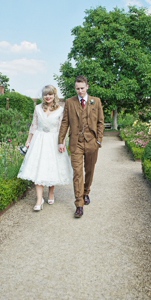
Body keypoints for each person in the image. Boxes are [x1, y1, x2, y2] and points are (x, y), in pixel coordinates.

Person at [17, 85, 73, 211]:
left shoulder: (60, 109)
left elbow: (61, 128)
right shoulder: (37, 108)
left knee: (51, 167)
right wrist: (28, 141)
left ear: (54, 95)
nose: (48, 97)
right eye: (45, 94)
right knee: (38, 168)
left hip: (53, 140)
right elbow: (34, 125)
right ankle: (39, 199)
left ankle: (51, 193)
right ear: (42, 96)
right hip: (39, 140)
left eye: (50, 94)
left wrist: (62, 142)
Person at [57, 75, 104, 218]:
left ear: (87, 87)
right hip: (76, 143)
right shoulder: (69, 102)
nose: (80, 91)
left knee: (89, 171)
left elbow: (100, 122)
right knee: (77, 173)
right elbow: (65, 122)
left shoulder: (95, 101)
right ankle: (79, 204)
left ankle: (86, 192)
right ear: (75, 88)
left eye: (82, 88)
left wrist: (99, 140)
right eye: (77, 88)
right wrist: (60, 140)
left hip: (91, 142)